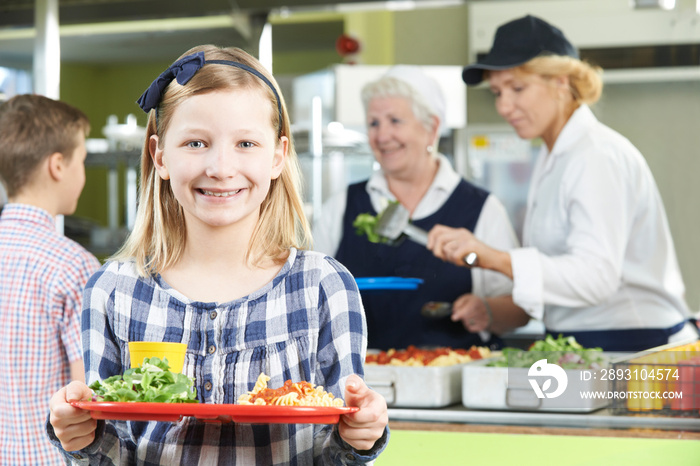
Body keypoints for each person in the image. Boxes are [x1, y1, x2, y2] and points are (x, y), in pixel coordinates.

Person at [46, 45, 389, 464]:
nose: (221, 167)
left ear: (278, 156)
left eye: (246, 142)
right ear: (160, 156)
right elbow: (109, 453)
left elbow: (335, 449)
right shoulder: (112, 290)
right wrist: (81, 438)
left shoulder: (324, 286)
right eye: (195, 143)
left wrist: (361, 435)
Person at [428, 15, 698, 352]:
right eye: (497, 92)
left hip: (634, 345)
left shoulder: (595, 156)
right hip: (589, 344)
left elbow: (595, 278)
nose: (503, 106)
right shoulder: (555, 156)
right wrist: (490, 306)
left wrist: (494, 258)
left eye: (517, 88)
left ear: (561, 82)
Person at [314, 65, 525, 351]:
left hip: (454, 378)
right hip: (361, 381)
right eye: (374, 123)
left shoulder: (481, 208)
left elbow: (520, 308)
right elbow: (312, 296)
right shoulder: (342, 205)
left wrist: (487, 311)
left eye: (395, 121)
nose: (382, 135)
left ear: (432, 129)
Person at [0, 94, 101, 465]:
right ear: (57, 165)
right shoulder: (73, 265)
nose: (83, 175)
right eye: (83, 161)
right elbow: (86, 399)